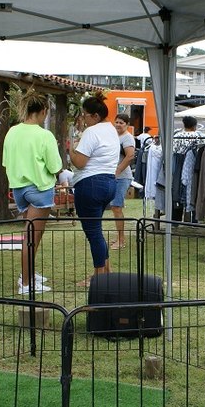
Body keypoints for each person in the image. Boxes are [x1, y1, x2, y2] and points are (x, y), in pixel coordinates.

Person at [3, 88, 62, 295]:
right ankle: (26, 283)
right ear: (43, 110)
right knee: (32, 237)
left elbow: (5, 162)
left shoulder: (12, 132)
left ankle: (28, 275)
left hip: (18, 187)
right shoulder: (44, 135)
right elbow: (55, 166)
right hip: (39, 188)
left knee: (30, 234)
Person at [70, 92, 119, 286]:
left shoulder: (92, 132)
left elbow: (80, 162)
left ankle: (98, 277)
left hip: (89, 185)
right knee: (96, 230)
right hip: (109, 183)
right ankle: (106, 270)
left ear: (95, 116)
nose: (83, 119)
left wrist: (71, 151)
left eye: (85, 115)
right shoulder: (111, 130)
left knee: (94, 233)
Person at [109, 113, 136, 250]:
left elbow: (130, 156)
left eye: (121, 123)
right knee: (114, 207)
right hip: (114, 176)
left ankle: (121, 240)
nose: (118, 124)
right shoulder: (115, 136)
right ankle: (118, 237)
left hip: (122, 176)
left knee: (116, 206)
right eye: (117, 122)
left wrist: (118, 170)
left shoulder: (128, 138)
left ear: (127, 124)